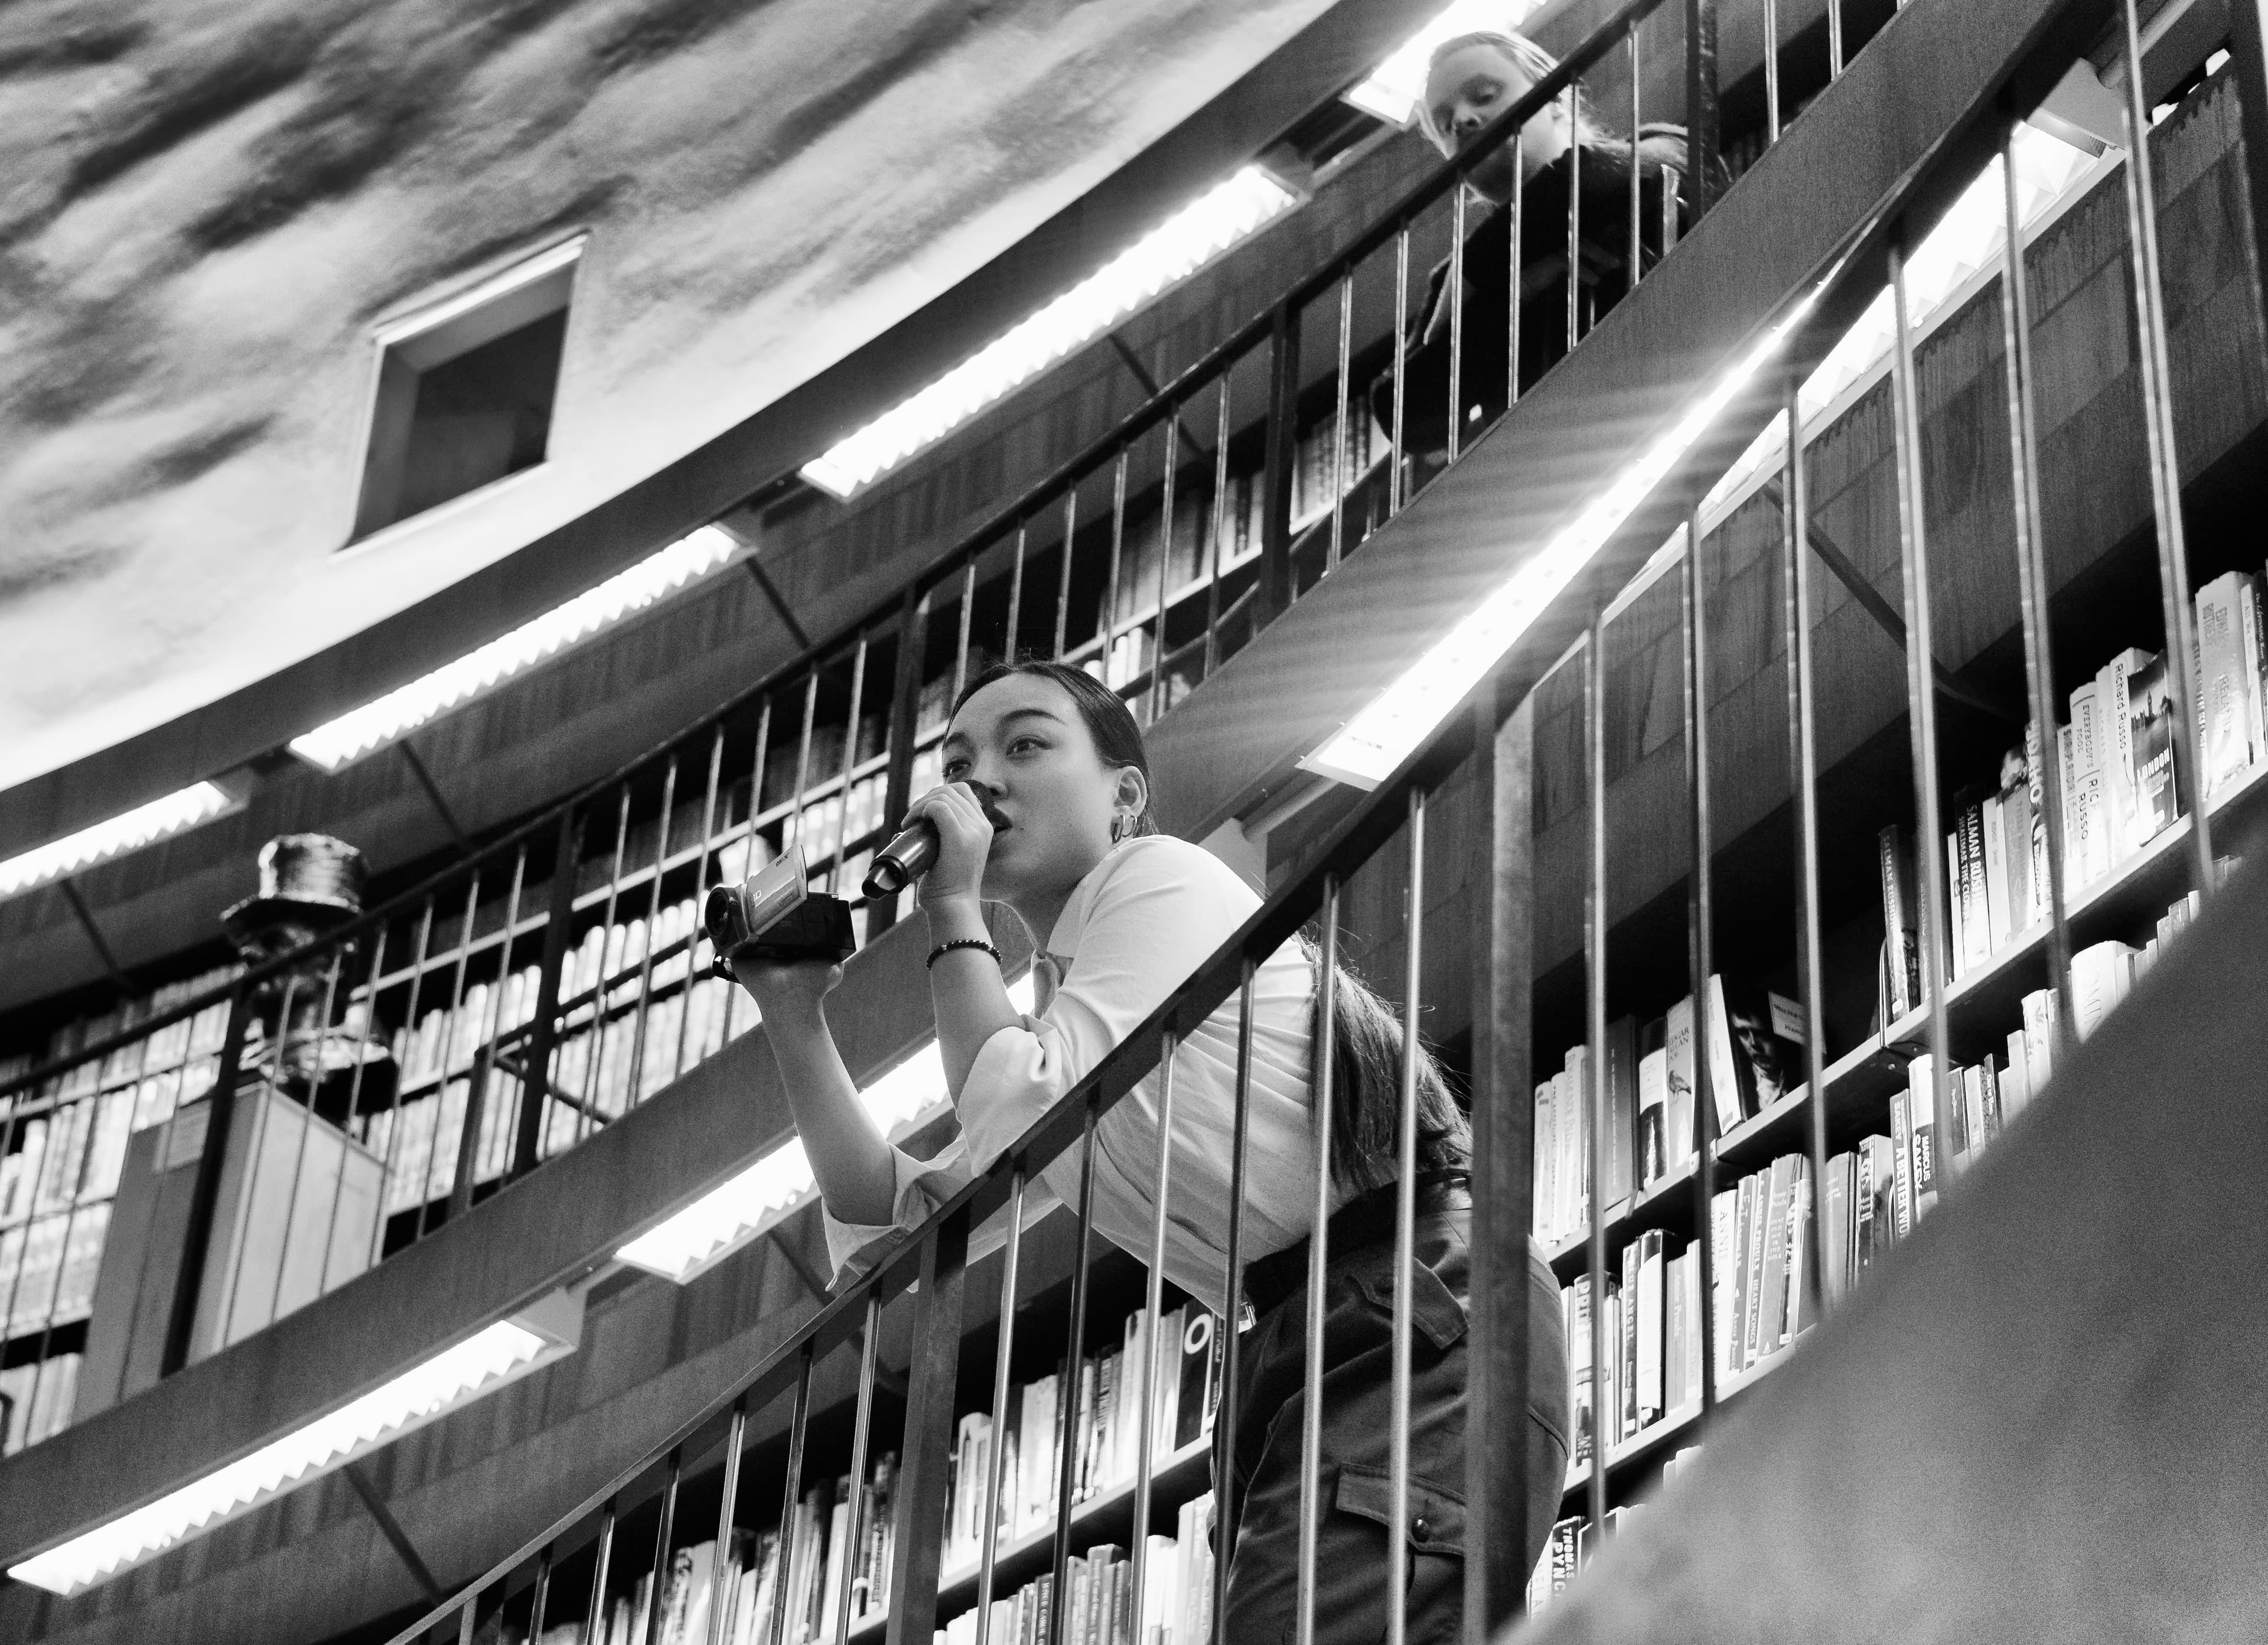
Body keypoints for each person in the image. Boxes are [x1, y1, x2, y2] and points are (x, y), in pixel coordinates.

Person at [732, 659, 1569, 1643]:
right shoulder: (1068, 1012)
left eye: (1026, 745)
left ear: (1126, 794)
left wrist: (951, 912)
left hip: (1409, 1296)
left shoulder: (1158, 880)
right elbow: (901, 1220)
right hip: (1291, 1333)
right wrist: (791, 1010)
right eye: (957, 763)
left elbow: (1018, 1107)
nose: (980, 781)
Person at [1371, 30, 1700, 460]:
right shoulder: (1447, 281)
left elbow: (1589, 178)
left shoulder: (1658, 146)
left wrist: (1474, 275)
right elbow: (1405, 414)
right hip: (1561, 476)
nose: (1464, 122)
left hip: (1684, 405)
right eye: (1445, 124)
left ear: (1557, 97)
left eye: (1484, 95)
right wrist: (1519, 290)